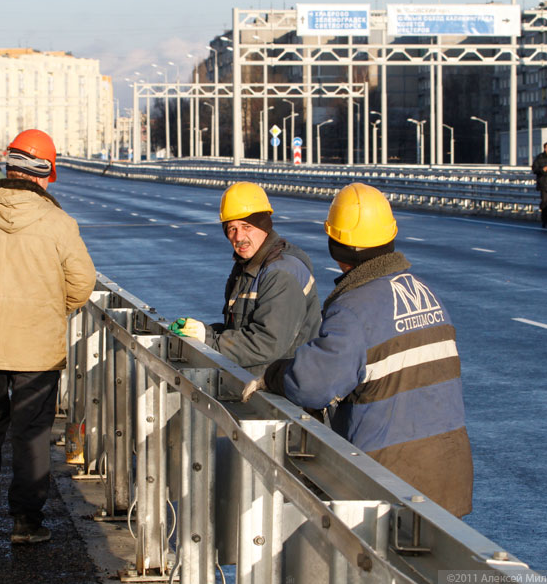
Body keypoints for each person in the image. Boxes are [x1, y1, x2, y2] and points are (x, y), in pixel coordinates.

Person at [242, 183, 473, 518]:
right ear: (390, 234)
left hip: (393, 478)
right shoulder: (424, 292)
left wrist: (274, 374)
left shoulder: (354, 308)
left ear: (335, 244)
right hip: (448, 469)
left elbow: (314, 384)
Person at [0, 129, 96, 544]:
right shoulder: (59, 223)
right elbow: (81, 285)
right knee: (31, 432)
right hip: (37, 347)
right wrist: (47, 308)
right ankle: (26, 521)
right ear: (44, 175)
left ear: (7, 170)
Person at [170, 182, 321, 376]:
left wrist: (209, 340)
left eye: (246, 226)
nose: (239, 237)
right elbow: (239, 327)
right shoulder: (249, 264)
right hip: (262, 382)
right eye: (231, 229)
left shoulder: (281, 272)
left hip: (285, 391)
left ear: (264, 225)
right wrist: (203, 332)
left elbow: (267, 343)